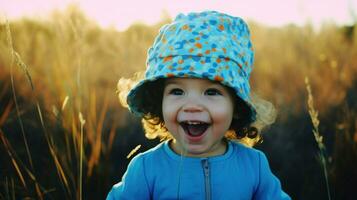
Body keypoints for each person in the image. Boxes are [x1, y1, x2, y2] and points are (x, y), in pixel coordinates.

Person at [107, 11, 291, 200]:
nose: (192, 105)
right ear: (159, 102)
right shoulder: (147, 169)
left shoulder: (253, 166)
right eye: (177, 92)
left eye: (211, 92)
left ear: (236, 106)